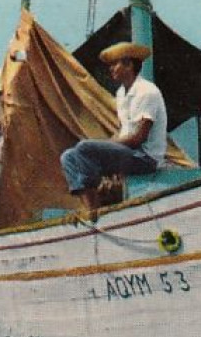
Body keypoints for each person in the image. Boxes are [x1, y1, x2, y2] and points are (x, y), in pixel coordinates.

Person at [59, 40, 167, 214]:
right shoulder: (121, 94)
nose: (111, 69)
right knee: (68, 157)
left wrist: (105, 146)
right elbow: (124, 129)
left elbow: (139, 137)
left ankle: (96, 207)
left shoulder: (147, 91)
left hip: (145, 157)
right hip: (129, 153)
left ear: (129, 65)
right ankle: (91, 211)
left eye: (115, 64)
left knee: (84, 148)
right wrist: (107, 145)